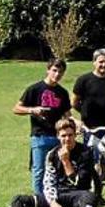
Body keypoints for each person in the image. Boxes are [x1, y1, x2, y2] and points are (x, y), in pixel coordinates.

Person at [14, 57, 72, 194]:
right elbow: (16, 108)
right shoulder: (34, 89)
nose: (57, 74)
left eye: (60, 72)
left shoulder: (62, 92)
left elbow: (67, 114)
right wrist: (32, 110)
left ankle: (56, 197)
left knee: (58, 168)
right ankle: (39, 200)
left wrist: (74, 123)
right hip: (40, 136)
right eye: (54, 70)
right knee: (39, 169)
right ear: (48, 70)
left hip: (58, 137)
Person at [72, 48, 105, 196]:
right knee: (92, 158)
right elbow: (74, 102)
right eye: (101, 62)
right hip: (90, 127)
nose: (104, 65)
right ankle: (91, 191)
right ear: (94, 62)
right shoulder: (83, 80)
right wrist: (85, 113)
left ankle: (99, 192)